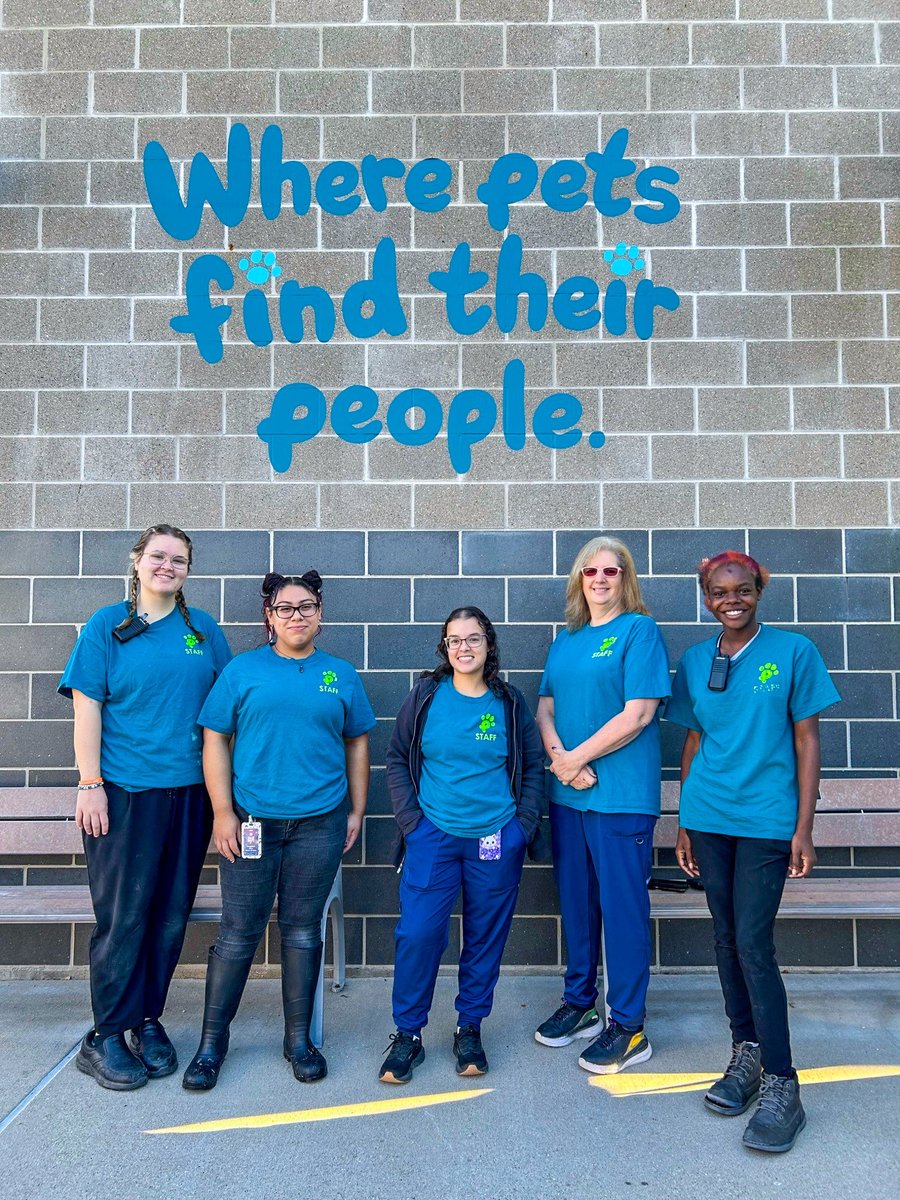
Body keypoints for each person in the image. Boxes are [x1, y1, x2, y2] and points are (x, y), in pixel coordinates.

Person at [666, 550, 840, 1154]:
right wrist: (685, 821)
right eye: (718, 591)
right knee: (723, 937)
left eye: (741, 589)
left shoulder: (793, 651)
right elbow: (692, 741)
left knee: (753, 944)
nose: (730, 599)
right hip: (710, 818)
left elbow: (807, 741)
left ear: (759, 590)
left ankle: (783, 1084)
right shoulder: (695, 660)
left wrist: (803, 827)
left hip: (767, 821)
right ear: (705, 596)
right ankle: (747, 1054)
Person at [182, 570, 375, 1089]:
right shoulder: (243, 671)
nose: (297, 615)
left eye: (307, 606)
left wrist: (356, 810)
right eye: (286, 608)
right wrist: (223, 812)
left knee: (301, 928)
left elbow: (357, 743)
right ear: (269, 617)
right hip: (251, 822)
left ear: (320, 614)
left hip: (320, 822)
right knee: (239, 933)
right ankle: (211, 1045)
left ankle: (298, 1040)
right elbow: (215, 740)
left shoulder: (340, 673)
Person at [59, 524, 232, 1090]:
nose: (167, 566)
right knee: (125, 916)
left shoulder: (201, 628)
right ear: (137, 563)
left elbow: (227, 709)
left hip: (189, 796)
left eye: (178, 559)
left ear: (189, 569)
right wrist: (90, 784)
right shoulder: (106, 626)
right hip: (126, 794)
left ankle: (146, 1018)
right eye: (157, 556)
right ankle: (105, 1033)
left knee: (169, 917)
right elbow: (87, 709)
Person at [379, 607, 545, 1084]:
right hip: (433, 835)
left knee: (484, 938)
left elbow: (532, 768)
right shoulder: (426, 696)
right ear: (444, 647)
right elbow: (395, 757)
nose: (464, 648)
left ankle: (468, 1027)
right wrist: (413, 824)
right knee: (418, 934)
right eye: (454, 640)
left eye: (473, 639)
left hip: (495, 838)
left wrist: (520, 829)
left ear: (488, 644)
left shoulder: (509, 703)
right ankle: (408, 1035)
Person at [533, 535, 670, 1075]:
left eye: (612, 571)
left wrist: (575, 759)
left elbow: (638, 714)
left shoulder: (640, 632)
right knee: (577, 904)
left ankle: (629, 1026)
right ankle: (580, 1003)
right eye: (591, 571)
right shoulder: (565, 641)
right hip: (569, 798)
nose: (600, 579)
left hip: (620, 799)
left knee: (623, 910)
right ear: (579, 580)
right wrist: (561, 761)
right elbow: (544, 709)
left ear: (625, 578)